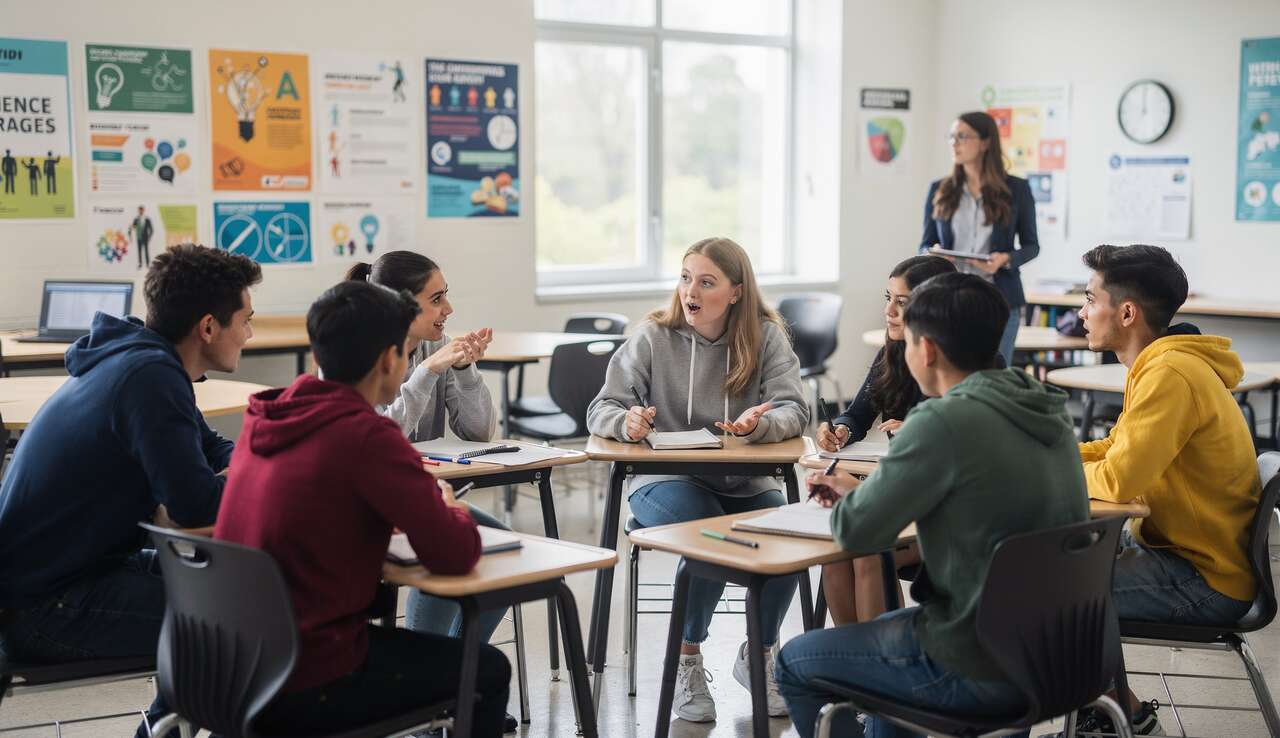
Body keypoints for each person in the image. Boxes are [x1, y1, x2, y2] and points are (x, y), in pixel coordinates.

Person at [776, 273, 1089, 738]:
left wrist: (841, 491)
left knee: (794, 663)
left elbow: (856, 532)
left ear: (925, 350)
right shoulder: (1049, 410)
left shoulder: (940, 420)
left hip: (972, 659)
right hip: (1057, 655)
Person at [215, 281, 510, 736]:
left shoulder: (265, 416)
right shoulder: (365, 436)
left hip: (235, 664)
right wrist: (450, 508)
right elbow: (455, 553)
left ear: (317, 357)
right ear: (391, 360)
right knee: (487, 670)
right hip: (311, 676)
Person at [0, 244, 261, 738]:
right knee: (242, 623)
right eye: (245, 320)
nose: (249, 334)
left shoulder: (142, 362)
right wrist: (270, 484)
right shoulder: (149, 377)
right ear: (208, 327)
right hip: (44, 606)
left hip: (73, 574)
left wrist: (255, 469)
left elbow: (212, 449)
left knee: (236, 596)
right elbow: (196, 507)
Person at [586, 236, 810, 722]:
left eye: (706, 282)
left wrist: (761, 425)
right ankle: (687, 659)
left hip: (745, 480)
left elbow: (795, 408)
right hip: (663, 478)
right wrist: (626, 424)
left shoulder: (766, 336)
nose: (691, 290)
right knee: (708, 535)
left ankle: (759, 654)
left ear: (735, 292)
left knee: (790, 543)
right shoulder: (653, 336)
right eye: (686, 278)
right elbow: (602, 406)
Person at [1043, 244, 1262, 737]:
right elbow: (1116, 447)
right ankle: (1112, 710)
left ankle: (1124, 716)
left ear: (1125, 313)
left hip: (1203, 578)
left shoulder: (1169, 373)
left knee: (1047, 591)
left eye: (1088, 298)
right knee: (1057, 565)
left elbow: (1120, 479)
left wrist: (1042, 475)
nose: (1080, 311)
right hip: (1180, 550)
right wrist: (1044, 458)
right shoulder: (1159, 364)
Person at [345, 252, 518, 732]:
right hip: (380, 509)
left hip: (426, 498)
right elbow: (378, 437)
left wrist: (461, 368)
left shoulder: (430, 348)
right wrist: (428, 373)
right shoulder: (359, 351)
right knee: (449, 555)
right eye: (436, 299)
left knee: (502, 560)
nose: (449, 309)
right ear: (401, 307)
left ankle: (455, 687)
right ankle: (430, 697)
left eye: (447, 295)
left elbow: (480, 432)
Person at [814, 254, 955, 625]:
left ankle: (878, 664)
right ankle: (852, 666)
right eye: (887, 297)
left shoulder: (959, 363)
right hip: (905, 499)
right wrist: (840, 430)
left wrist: (922, 431)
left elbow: (956, 439)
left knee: (866, 550)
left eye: (902, 302)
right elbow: (858, 414)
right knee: (837, 549)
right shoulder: (891, 353)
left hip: (943, 514)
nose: (889, 310)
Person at [920, 111, 1039, 366]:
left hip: (1001, 300)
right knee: (952, 375)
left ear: (985, 142)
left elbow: (1032, 246)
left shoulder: (1016, 190)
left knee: (994, 378)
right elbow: (924, 245)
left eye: (962, 136)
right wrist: (936, 253)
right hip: (950, 299)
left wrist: (1006, 259)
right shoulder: (939, 189)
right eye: (951, 136)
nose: (954, 143)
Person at [131, 205, 154, 270]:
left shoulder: (147, 219)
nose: (140, 211)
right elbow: (133, 227)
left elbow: (151, 229)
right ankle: (140, 264)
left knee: (146, 251)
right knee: (139, 251)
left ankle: (147, 264)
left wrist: (149, 237)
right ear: (138, 211)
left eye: (141, 210)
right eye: (139, 210)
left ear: (143, 210)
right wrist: (132, 227)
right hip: (139, 237)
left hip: (145, 237)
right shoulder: (136, 219)